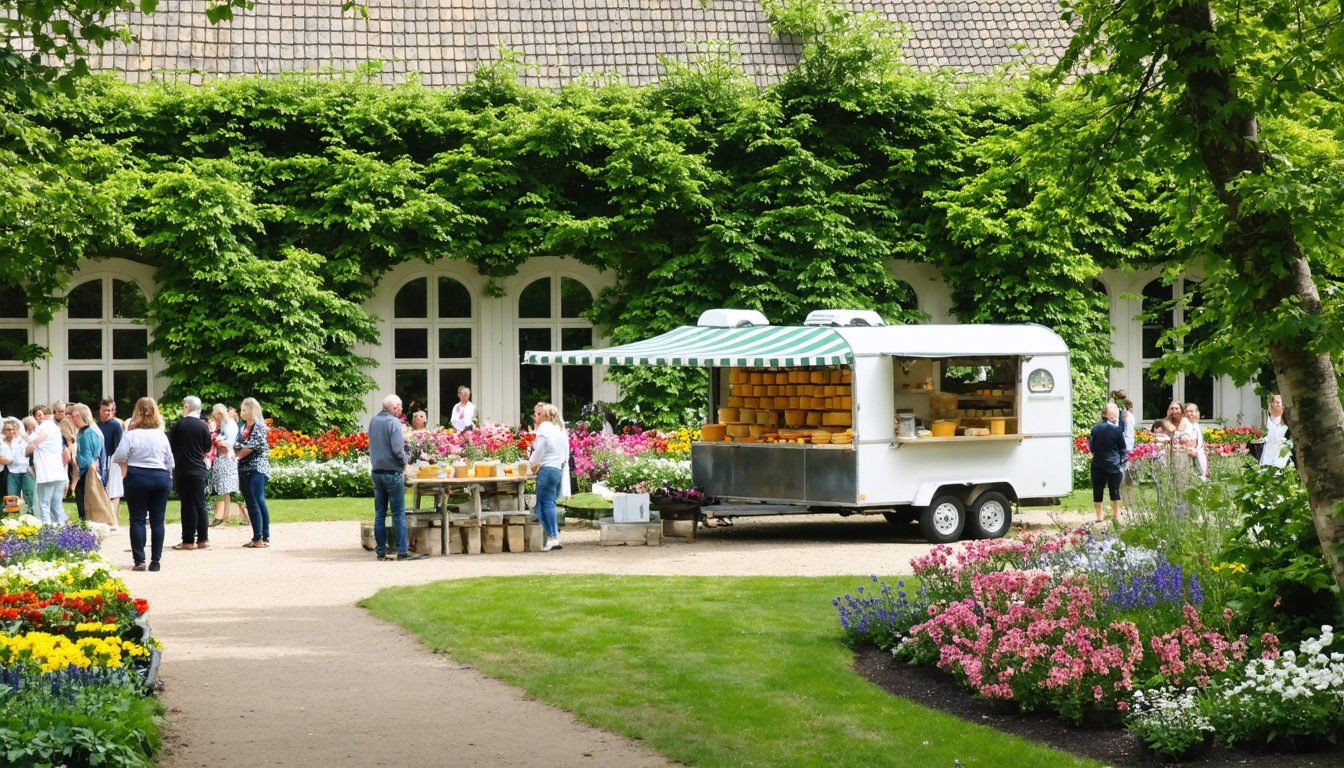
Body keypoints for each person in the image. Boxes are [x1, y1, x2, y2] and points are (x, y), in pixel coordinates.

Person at [111, 397, 175, 572]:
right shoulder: (161, 435)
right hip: (160, 476)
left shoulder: (131, 435)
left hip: (138, 476)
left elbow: (118, 455)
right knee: (157, 520)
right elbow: (170, 461)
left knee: (138, 519)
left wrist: (127, 463)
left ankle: (139, 560)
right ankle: (156, 561)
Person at [368, 394, 427, 562]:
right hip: (392, 472)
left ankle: (381, 551)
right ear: (394, 408)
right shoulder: (394, 422)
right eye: (400, 407)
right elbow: (397, 449)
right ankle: (402, 551)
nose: (401, 410)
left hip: (377, 471)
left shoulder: (373, 421)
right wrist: (405, 460)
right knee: (398, 513)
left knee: (380, 513)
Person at [169, 396, 214, 550]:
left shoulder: (179, 425)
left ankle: (188, 540)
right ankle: (203, 539)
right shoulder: (203, 426)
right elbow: (207, 446)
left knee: (187, 504)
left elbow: (170, 444)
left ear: (187, 407)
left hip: (183, 469)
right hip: (198, 470)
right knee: (200, 503)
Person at [527, 402, 569, 551]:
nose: (535, 417)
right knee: (541, 506)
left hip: (547, 469)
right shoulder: (557, 429)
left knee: (547, 504)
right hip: (557, 469)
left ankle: (553, 537)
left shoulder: (544, 429)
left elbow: (538, 453)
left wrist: (529, 464)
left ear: (544, 416)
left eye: (537, 414)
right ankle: (551, 536)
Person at [234, 397, 272, 548]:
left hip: (257, 468)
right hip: (244, 468)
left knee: (257, 501)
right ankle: (261, 536)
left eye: (244, 410)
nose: (241, 413)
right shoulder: (243, 427)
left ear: (251, 410)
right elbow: (238, 443)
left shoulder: (259, 427)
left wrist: (233, 455)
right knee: (251, 501)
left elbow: (250, 447)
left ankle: (260, 537)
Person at [24, 405, 68, 524]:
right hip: (57, 472)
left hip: (48, 472)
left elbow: (31, 446)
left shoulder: (45, 427)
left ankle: (48, 530)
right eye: (35, 416)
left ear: (47, 415)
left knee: (45, 504)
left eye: (40, 415)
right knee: (55, 505)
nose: (38, 418)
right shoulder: (51, 427)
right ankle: (62, 529)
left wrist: (24, 437)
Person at [208, 403, 248, 526]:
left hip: (227, 458)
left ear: (220, 414)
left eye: (216, 417)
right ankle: (223, 516)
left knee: (230, 489)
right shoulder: (224, 425)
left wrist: (217, 441)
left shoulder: (229, 424)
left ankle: (245, 516)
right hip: (221, 458)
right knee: (223, 489)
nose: (215, 420)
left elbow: (229, 442)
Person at [1087, 402, 1127, 523]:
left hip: (1098, 464)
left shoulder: (1095, 429)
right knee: (1114, 491)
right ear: (1112, 416)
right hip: (1113, 465)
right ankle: (1115, 516)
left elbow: (1092, 447)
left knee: (1098, 490)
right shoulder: (1116, 430)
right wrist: (1122, 461)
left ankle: (1099, 517)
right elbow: (1122, 448)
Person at [69, 403, 106, 522]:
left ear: (78, 415)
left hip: (87, 475)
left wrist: (77, 472)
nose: (71, 419)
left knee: (85, 508)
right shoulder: (95, 429)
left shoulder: (87, 433)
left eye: (72, 416)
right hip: (97, 473)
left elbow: (86, 458)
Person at [97, 398, 124, 525]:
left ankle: (113, 520)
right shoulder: (98, 425)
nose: (109, 413)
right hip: (100, 460)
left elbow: (118, 447)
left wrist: (111, 465)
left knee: (114, 491)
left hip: (112, 460)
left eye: (111, 410)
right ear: (100, 410)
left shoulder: (115, 425)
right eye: (106, 410)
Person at [0, 418, 34, 510]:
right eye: (8, 429)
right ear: (3, 431)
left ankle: (30, 513)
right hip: (11, 471)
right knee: (12, 495)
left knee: (29, 493)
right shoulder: (2, 443)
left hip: (25, 470)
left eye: (13, 429)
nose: (11, 432)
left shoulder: (22, 440)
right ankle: (13, 516)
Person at [1180, 402, 1209, 479]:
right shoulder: (1184, 422)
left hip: (1197, 452)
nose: (1192, 414)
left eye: (1194, 411)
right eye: (1189, 411)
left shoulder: (1195, 424)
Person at [1261, 394, 1291, 468]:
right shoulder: (1270, 418)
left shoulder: (1285, 421)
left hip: (1281, 451)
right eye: (1274, 402)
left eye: (1278, 402)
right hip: (1269, 449)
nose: (1275, 404)